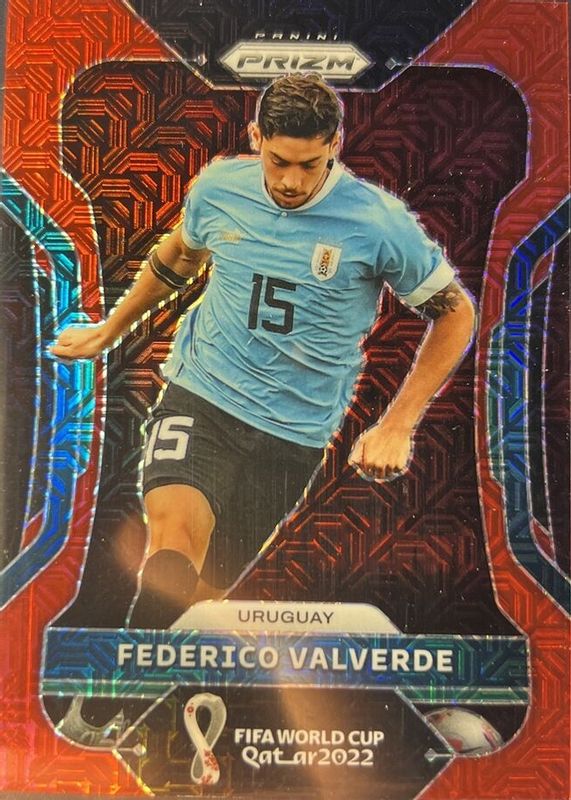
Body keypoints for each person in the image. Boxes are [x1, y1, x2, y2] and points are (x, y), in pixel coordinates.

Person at [52, 73, 475, 744]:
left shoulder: (377, 221)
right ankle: (100, 714)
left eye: (309, 164)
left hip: (293, 436)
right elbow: (178, 257)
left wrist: (398, 422)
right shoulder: (221, 187)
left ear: (334, 147)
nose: (291, 180)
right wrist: (110, 329)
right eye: (279, 161)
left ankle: (128, 716)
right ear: (256, 138)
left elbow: (455, 313)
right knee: (174, 547)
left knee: (202, 597)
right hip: (202, 394)